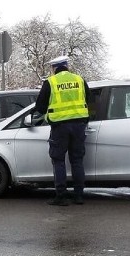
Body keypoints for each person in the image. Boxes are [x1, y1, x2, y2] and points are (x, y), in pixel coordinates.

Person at [34, 55, 92, 206]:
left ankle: (61, 196)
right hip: (79, 125)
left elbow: (40, 106)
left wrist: (47, 114)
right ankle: (79, 195)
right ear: (67, 66)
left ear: (54, 68)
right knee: (77, 160)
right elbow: (90, 101)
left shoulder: (51, 82)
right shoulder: (79, 80)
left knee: (58, 160)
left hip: (59, 127)